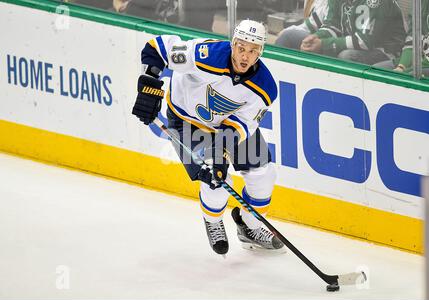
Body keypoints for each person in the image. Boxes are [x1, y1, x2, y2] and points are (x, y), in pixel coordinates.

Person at [131, 20, 285, 256]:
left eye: (253, 51)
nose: (245, 56)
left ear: (260, 52)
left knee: (263, 174)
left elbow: (242, 124)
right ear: (233, 44)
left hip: (228, 128)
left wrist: (220, 149)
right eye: (241, 48)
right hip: (187, 122)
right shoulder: (205, 55)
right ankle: (213, 221)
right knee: (215, 180)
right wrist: (150, 85)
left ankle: (251, 228)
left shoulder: (266, 87)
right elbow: (156, 48)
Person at [300, 0, 406, 67]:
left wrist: (324, 44)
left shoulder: (376, 2)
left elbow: (364, 41)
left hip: (387, 52)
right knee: (304, 43)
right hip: (355, 44)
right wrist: (316, 36)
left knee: (345, 56)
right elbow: (333, 26)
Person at [393, 0, 429, 76]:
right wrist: (401, 66)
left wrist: (411, 69)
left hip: (424, 64)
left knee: (409, 76)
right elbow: (412, 42)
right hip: (418, 62)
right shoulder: (420, 4)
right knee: (377, 69)